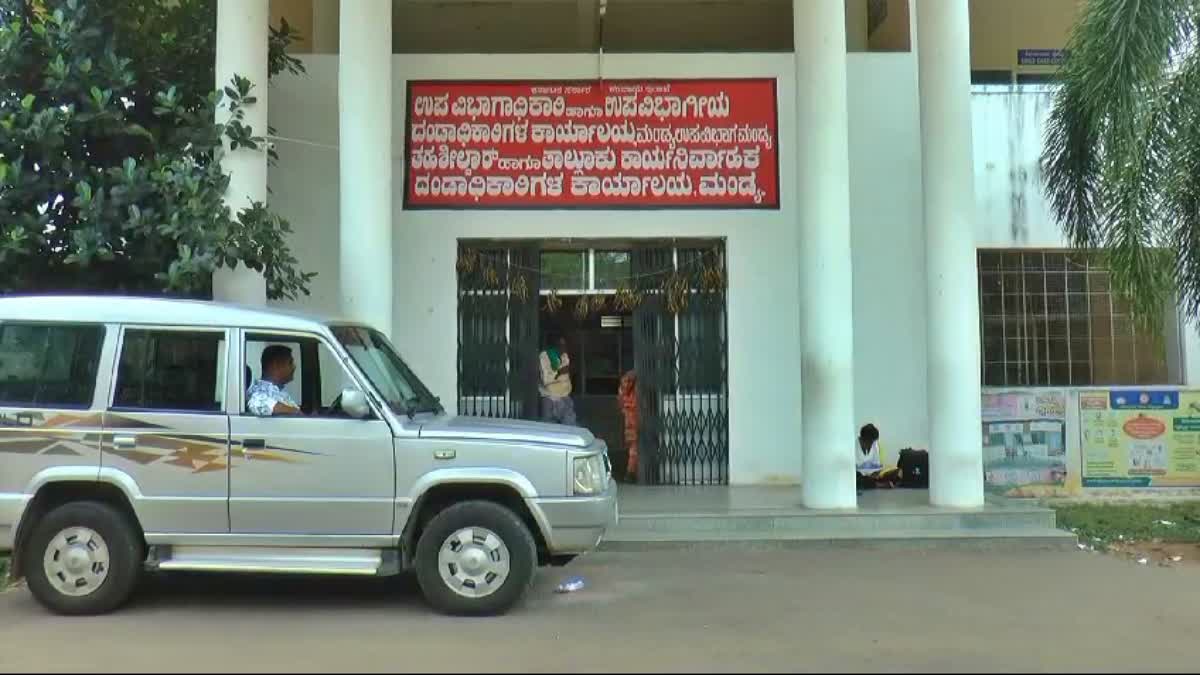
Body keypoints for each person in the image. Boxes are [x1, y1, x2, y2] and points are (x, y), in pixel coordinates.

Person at [247, 345, 301, 417]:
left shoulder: (279, 391)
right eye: (290, 362)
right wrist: (297, 413)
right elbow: (257, 403)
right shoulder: (259, 392)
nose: (294, 366)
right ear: (276, 364)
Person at [538, 333, 577, 425]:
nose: (563, 348)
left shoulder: (564, 355)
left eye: (564, 345)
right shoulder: (545, 356)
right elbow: (546, 379)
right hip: (550, 399)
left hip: (565, 397)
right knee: (550, 430)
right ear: (554, 345)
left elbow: (566, 372)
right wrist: (559, 372)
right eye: (561, 345)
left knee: (570, 428)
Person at [855, 423, 897, 489]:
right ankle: (880, 485)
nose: (872, 444)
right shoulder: (853, 446)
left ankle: (875, 483)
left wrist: (875, 474)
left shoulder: (875, 444)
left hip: (872, 476)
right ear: (863, 439)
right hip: (859, 476)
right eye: (870, 441)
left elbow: (877, 466)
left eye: (873, 441)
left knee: (895, 471)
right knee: (856, 478)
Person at [617, 370, 639, 481]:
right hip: (632, 420)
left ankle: (631, 471)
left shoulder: (623, 390)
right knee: (634, 448)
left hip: (629, 420)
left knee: (632, 447)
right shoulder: (633, 390)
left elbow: (621, 403)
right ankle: (631, 472)